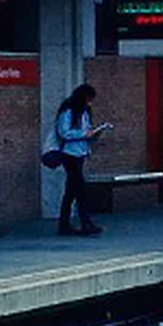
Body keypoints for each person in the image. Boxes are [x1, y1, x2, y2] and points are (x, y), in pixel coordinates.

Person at [54, 84, 111, 236]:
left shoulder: (85, 113)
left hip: (80, 153)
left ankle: (64, 224)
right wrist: (83, 134)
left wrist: (94, 134)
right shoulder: (68, 112)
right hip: (69, 154)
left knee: (71, 191)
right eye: (88, 100)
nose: (90, 103)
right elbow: (64, 132)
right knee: (80, 189)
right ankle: (85, 222)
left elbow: (87, 131)